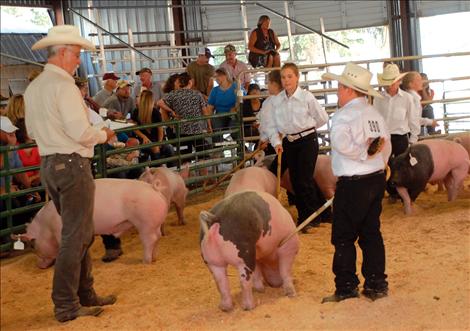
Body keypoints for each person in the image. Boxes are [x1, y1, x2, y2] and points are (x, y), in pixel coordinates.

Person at [23, 25, 116, 322]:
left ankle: (84, 293)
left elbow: (32, 131)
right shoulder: (64, 87)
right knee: (76, 237)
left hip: (50, 164)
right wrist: (102, 135)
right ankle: (65, 304)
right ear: (62, 52)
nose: (78, 60)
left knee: (78, 233)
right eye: (76, 54)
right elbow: (79, 131)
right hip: (72, 164)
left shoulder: (34, 87)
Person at [321, 62, 391, 303]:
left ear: (349, 89)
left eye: (339, 87)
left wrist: (364, 155)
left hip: (353, 183)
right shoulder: (374, 113)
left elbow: (343, 146)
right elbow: (385, 144)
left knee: (343, 236)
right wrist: (378, 161)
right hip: (376, 178)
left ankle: (346, 286)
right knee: (371, 232)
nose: (338, 92)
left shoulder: (342, 116)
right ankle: (376, 284)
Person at [264, 63, 329, 231]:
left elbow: (322, 118)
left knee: (304, 179)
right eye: (283, 77)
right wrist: (277, 143)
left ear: (297, 77)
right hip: (289, 142)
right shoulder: (276, 101)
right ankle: (316, 214)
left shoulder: (306, 97)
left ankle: (308, 218)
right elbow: (270, 125)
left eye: (290, 76)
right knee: (296, 180)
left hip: (307, 140)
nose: (286, 81)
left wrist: (308, 127)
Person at [157, 72, 211, 170]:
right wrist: (209, 126)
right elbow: (205, 111)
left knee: (185, 159)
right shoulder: (197, 94)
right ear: (189, 82)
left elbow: (159, 103)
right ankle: (204, 180)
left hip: (181, 131)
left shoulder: (173, 94)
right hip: (197, 130)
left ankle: (187, 182)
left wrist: (171, 112)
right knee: (202, 156)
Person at [131, 89, 174, 165]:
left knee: (169, 148)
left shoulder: (155, 112)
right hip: (143, 141)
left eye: (139, 96)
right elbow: (134, 128)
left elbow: (160, 130)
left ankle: (172, 170)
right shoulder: (136, 111)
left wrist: (159, 143)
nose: (137, 98)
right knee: (154, 149)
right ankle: (157, 171)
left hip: (157, 140)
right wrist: (144, 137)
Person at [206, 68, 239, 144]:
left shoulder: (236, 86)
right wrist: (209, 123)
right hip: (220, 115)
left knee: (234, 128)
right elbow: (210, 107)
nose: (216, 78)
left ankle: (240, 147)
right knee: (215, 124)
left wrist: (236, 107)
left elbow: (243, 100)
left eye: (218, 76)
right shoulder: (215, 90)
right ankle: (218, 149)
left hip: (234, 114)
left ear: (225, 76)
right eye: (215, 76)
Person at [257, 70, 282, 156]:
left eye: (268, 83)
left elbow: (268, 125)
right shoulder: (269, 101)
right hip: (273, 141)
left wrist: (264, 140)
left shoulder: (271, 102)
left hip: (274, 143)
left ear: (274, 84)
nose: (267, 86)